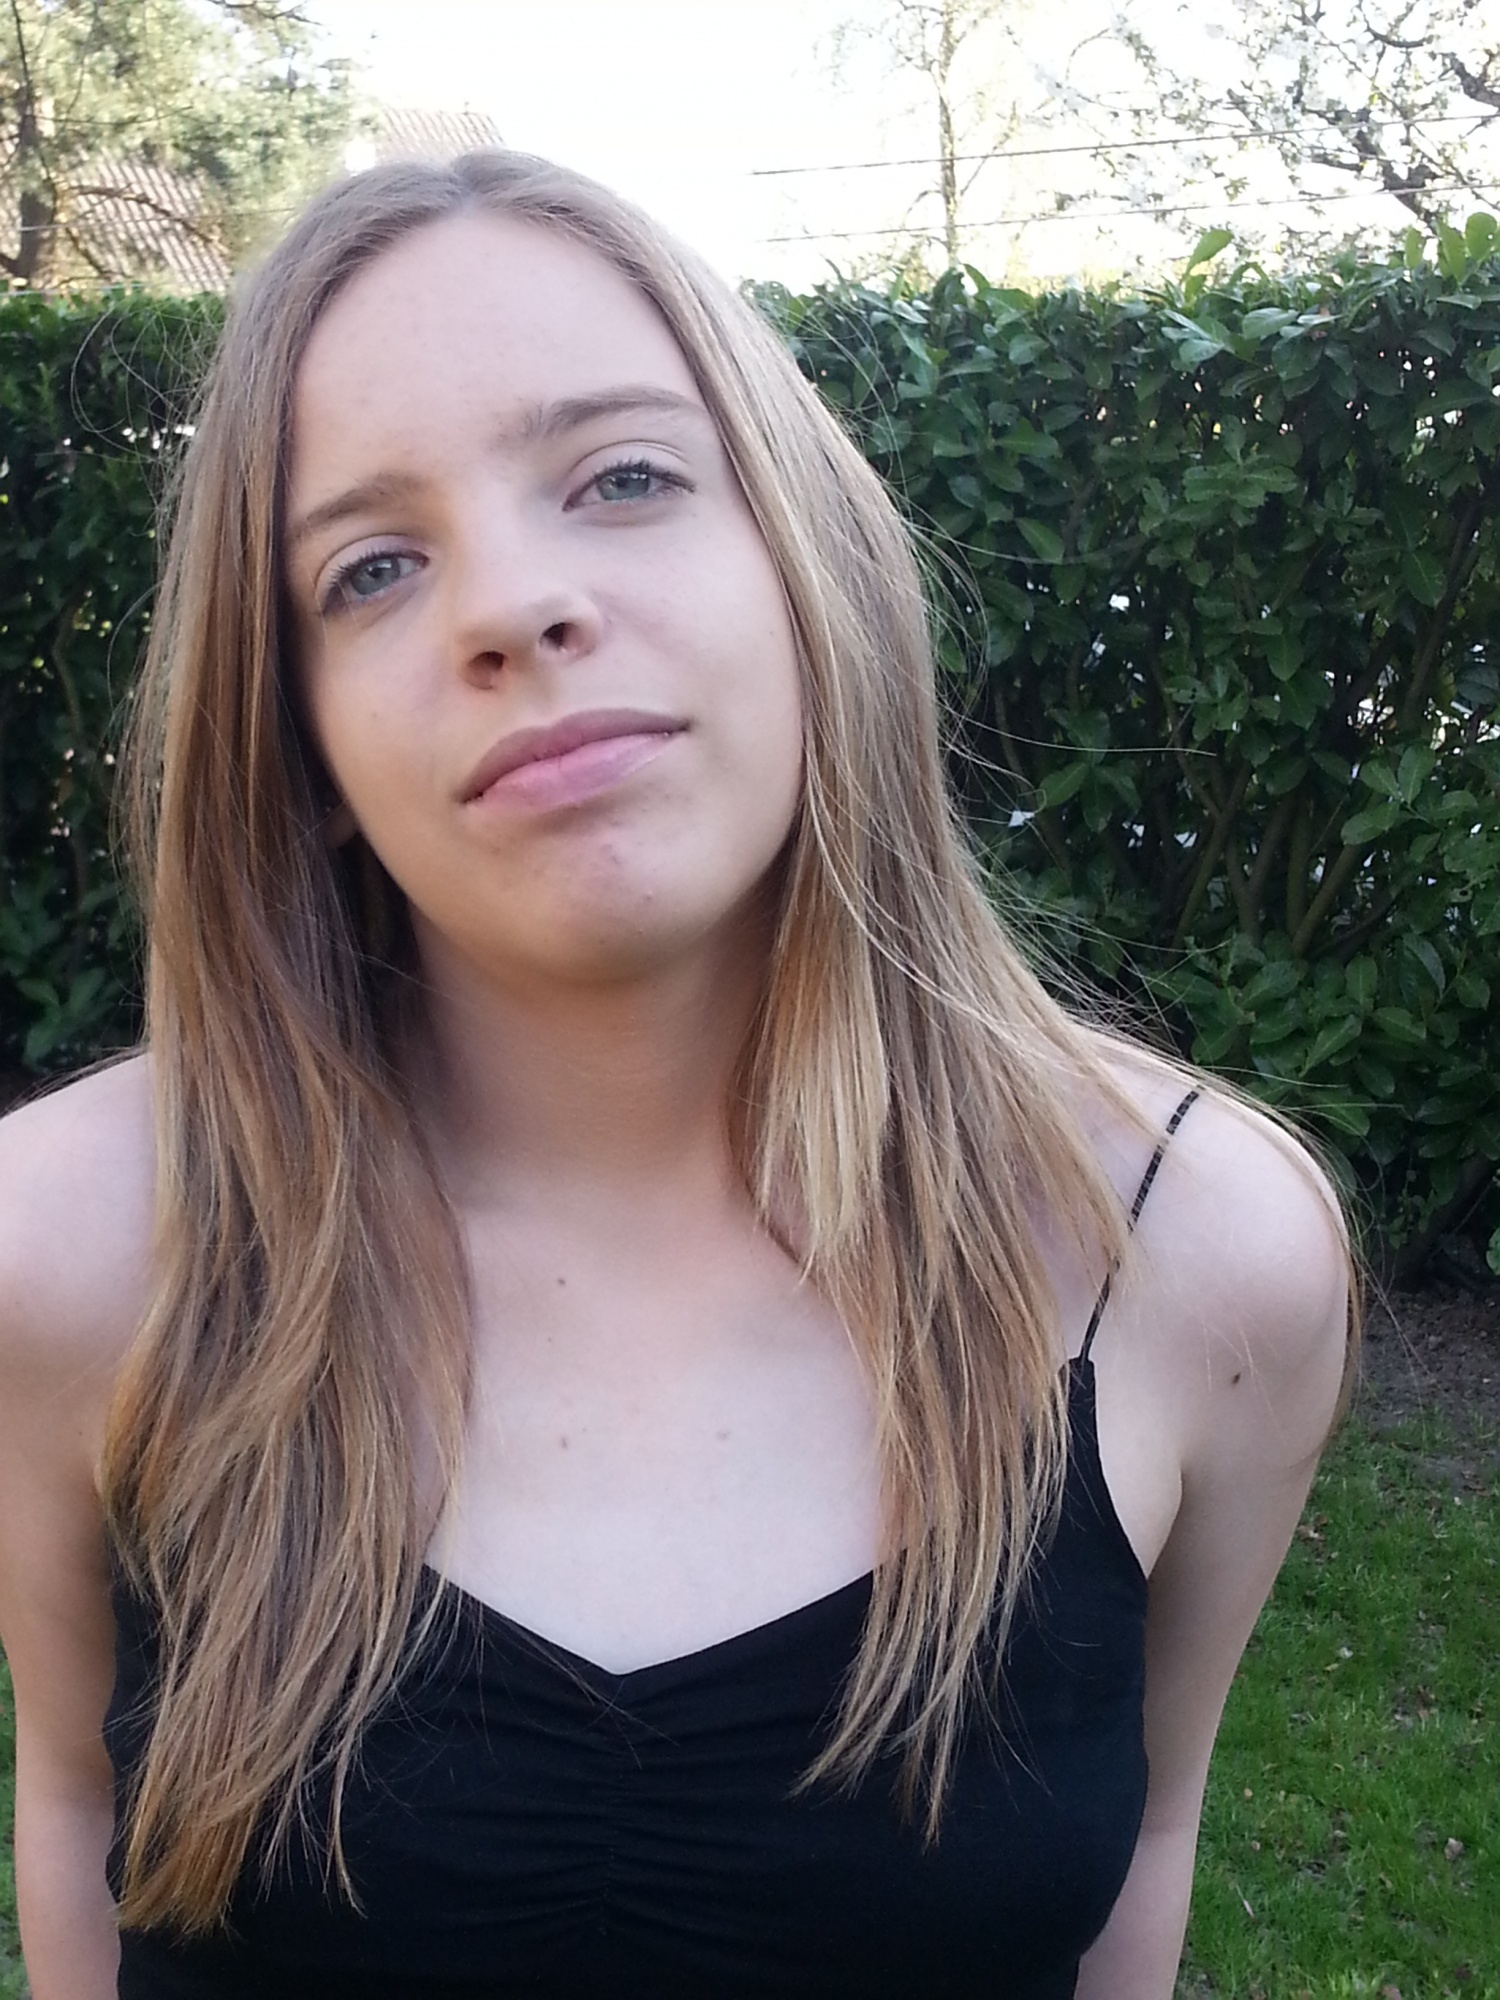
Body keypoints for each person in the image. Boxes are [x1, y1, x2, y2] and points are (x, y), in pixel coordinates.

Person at [0, 150, 1351, 2000]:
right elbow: (79, 1800)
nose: (512, 604)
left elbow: (1148, 1841)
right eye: (370, 568)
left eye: (624, 477)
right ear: (298, 739)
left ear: (807, 560)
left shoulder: (1199, 1254)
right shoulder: (74, 1248)